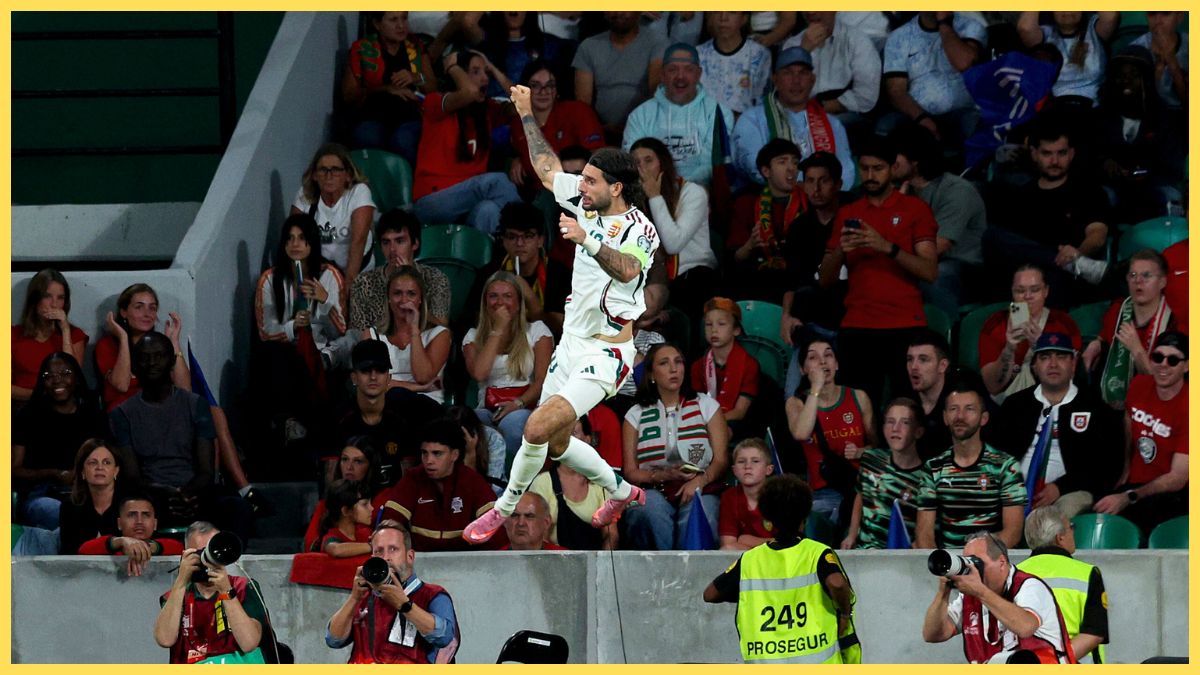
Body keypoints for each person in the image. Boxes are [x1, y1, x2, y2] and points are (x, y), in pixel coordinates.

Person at [463, 84, 661, 543]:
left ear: (616, 188)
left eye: (589, 181)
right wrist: (527, 113)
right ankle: (619, 488)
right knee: (554, 442)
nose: (580, 186)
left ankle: (502, 508)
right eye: (582, 180)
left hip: (607, 355)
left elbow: (629, 269)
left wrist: (587, 239)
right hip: (571, 344)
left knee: (534, 426)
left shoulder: (640, 229)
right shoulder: (588, 198)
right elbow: (549, 169)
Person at [818, 136, 938, 408]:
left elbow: (930, 271)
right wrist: (840, 250)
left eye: (878, 168)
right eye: (865, 168)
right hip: (857, 325)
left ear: (893, 168)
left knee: (907, 409)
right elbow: (825, 281)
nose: (870, 176)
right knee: (858, 412)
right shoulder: (848, 212)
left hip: (905, 324)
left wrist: (886, 247)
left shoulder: (915, 209)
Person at [110, 331, 252, 543]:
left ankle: (229, 572)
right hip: (149, 496)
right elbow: (132, 477)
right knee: (133, 508)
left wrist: (188, 494)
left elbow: (206, 470)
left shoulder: (195, 405)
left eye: (159, 356)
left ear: (170, 361)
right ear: (135, 365)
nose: (152, 363)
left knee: (236, 508)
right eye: (145, 357)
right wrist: (167, 494)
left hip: (196, 493)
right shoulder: (122, 414)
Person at [704, 475, 860, 664]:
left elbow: (710, 594)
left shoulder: (750, 560)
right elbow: (836, 583)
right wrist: (844, 613)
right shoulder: (816, 553)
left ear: (768, 519)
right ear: (804, 516)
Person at [992, 333, 1123, 518]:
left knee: (1057, 515)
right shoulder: (1015, 405)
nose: (1053, 364)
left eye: (1061, 357)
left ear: (1073, 363)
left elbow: (1105, 466)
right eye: (1045, 358)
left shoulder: (1095, 407)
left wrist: (1060, 487)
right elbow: (996, 455)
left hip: (1070, 492)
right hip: (1015, 490)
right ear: (1035, 366)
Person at [621, 342, 730, 550]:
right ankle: (665, 576)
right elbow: (631, 472)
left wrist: (701, 480)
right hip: (654, 488)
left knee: (702, 511)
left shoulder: (706, 405)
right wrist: (661, 476)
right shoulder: (634, 414)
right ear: (651, 374)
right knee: (647, 508)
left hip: (701, 485)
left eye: (678, 362)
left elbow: (721, 460)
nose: (674, 369)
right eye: (664, 363)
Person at [987, 125, 1110, 306]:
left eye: (1061, 153)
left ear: (1071, 154)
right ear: (1034, 154)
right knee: (993, 238)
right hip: (1030, 275)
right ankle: (1070, 266)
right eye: (1047, 154)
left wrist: (1078, 253)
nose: (1054, 161)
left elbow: (1097, 235)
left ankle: (1071, 265)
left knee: (1050, 280)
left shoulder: (1088, 191)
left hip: (1066, 279)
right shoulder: (1022, 195)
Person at [253, 213, 346, 436]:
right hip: (286, 350)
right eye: (290, 238)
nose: (295, 244)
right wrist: (293, 326)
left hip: (321, 350)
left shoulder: (329, 275)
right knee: (273, 357)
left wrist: (325, 301)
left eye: (302, 238)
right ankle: (288, 424)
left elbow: (340, 329)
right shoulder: (269, 279)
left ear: (312, 242)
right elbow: (265, 331)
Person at [922, 530, 1074, 663]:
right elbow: (932, 634)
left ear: (1002, 562)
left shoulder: (1029, 586)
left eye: (977, 563)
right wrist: (943, 593)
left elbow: (1025, 627)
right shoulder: (969, 596)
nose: (972, 570)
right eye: (968, 563)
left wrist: (981, 592)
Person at [411, 50, 520, 236]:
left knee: (489, 210)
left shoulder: (487, 110)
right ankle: (527, 230)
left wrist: (494, 69)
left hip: (471, 202)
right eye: (476, 72)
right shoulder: (435, 103)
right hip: (433, 201)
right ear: (458, 76)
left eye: (486, 73)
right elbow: (468, 92)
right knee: (497, 181)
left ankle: (493, 263)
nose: (485, 78)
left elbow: (522, 105)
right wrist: (451, 67)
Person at [1093, 331, 1189, 533]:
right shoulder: (1139, 385)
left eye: (1172, 360)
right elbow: (1129, 420)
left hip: (1173, 493)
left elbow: (1179, 478)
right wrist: (1126, 468)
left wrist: (1129, 496)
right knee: (1098, 515)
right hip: (1134, 485)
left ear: (1187, 366)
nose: (1163, 365)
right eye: (1157, 357)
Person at [326, 520, 460, 663]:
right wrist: (354, 598)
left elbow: (445, 637)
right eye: (379, 551)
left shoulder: (432, 594)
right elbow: (333, 640)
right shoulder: (363, 596)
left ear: (410, 556)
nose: (386, 557)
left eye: (393, 549)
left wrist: (405, 605)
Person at [915, 382, 1027, 549]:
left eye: (969, 409)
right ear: (945, 417)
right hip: (948, 568)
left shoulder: (1006, 466)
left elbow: (1013, 532)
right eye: (953, 409)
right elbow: (924, 534)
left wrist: (975, 562)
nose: (960, 416)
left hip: (991, 565)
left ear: (984, 418)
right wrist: (944, 569)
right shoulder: (933, 468)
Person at [891, 122, 987, 316]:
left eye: (894, 154)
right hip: (913, 261)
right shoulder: (897, 191)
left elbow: (934, 249)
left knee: (935, 275)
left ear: (915, 160)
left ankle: (945, 340)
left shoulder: (956, 191)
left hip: (965, 269)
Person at [785, 334, 877, 527]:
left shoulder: (859, 397)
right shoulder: (796, 403)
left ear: (836, 364)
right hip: (823, 493)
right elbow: (801, 433)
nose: (822, 361)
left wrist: (861, 451)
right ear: (803, 369)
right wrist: (816, 388)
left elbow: (878, 447)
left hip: (863, 488)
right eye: (813, 357)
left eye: (828, 355)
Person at [732, 47, 855, 189]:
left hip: (822, 202)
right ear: (775, 79)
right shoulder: (752, 119)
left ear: (812, 80)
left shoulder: (833, 124)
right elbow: (756, 169)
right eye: (788, 73)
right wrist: (811, 186)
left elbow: (846, 171)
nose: (796, 81)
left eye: (803, 73)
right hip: (771, 201)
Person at [463, 270, 553, 462]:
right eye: (493, 296)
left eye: (507, 296)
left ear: (519, 303)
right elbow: (479, 374)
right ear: (485, 302)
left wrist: (517, 403)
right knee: (471, 425)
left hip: (525, 405)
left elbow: (542, 381)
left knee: (512, 424)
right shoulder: (473, 335)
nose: (499, 302)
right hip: (487, 407)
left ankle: (513, 485)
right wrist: (498, 329)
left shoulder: (537, 331)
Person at [378, 418, 507, 551]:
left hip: (466, 565)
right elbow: (391, 522)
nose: (429, 461)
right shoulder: (413, 478)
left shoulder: (472, 481)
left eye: (437, 453)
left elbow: (494, 529)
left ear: (454, 455)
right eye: (424, 453)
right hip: (419, 564)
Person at [13, 352, 105, 530]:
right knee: (62, 513)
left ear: (76, 379)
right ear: (42, 382)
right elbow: (13, 470)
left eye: (65, 374)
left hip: (90, 491)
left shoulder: (92, 415)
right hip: (42, 494)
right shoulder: (28, 416)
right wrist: (53, 474)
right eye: (49, 376)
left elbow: (110, 459)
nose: (57, 380)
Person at [155, 522, 271, 664]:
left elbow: (249, 643)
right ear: (186, 555)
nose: (209, 559)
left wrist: (226, 591)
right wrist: (181, 582)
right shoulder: (174, 595)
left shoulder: (243, 587)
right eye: (201, 552)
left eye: (212, 550)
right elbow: (165, 639)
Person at [623, 43, 734, 188]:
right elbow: (633, 160)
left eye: (688, 70)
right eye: (672, 70)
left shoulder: (719, 113)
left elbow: (712, 163)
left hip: (702, 192)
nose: (680, 76)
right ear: (662, 75)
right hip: (653, 190)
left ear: (698, 74)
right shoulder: (640, 115)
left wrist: (682, 187)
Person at [630, 136, 718, 319]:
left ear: (663, 163)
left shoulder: (692, 193)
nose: (642, 169)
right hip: (654, 276)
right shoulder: (631, 199)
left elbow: (673, 244)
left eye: (648, 160)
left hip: (691, 274)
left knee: (693, 286)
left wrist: (654, 196)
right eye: (636, 163)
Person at [1083, 249, 1179, 408]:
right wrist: (1096, 344)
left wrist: (1136, 349)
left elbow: (1164, 385)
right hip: (1112, 407)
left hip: (1153, 410)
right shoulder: (1119, 309)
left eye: (1146, 276)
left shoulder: (1172, 323)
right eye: (1133, 275)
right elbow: (1105, 337)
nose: (1138, 281)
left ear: (1163, 282)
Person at [342, 11, 438, 165]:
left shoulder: (416, 46)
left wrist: (416, 77)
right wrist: (387, 89)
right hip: (373, 116)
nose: (401, 25)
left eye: (404, 18)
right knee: (368, 136)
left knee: (403, 139)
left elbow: (433, 88)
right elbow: (349, 95)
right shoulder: (361, 49)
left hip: (410, 116)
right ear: (377, 24)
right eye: (393, 20)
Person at [1017, 505, 1110, 663]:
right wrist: (1055, 662)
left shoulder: (1014, 574)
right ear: (1060, 537)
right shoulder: (1087, 574)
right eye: (1071, 527)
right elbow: (1094, 633)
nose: (1073, 532)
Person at [980, 265, 1082, 404]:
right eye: (1020, 291)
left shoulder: (1063, 323)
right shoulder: (995, 323)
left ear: (1046, 291)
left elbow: (1068, 381)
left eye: (1035, 290)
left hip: (1050, 401)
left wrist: (1040, 347)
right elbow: (993, 387)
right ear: (1012, 292)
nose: (1027, 297)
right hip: (1004, 405)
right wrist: (1009, 349)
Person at [881, 12, 986, 147]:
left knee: (974, 123)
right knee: (886, 125)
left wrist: (944, 23)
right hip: (917, 114)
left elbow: (963, 62)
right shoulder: (899, 37)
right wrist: (921, 118)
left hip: (963, 111)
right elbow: (896, 90)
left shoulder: (970, 26)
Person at [468, 203, 571, 337]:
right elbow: (475, 322)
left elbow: (559, 330)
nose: (520, 243)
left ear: (540, 240)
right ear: (503, 240)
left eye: (528, 236)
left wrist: (530, 298)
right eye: (512, 237)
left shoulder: (559, 273)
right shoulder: (489, 273)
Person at [507, 60, 604, 197]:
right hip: (537, 195)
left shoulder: (577, 111)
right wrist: (518, 158)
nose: (543, 92)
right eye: (535, 86)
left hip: (579, 192)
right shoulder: (518, 123)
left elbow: (598, 155)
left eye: (550, 85)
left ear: (557, 89)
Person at [842, 398, 927, 550]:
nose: (895, 428)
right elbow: (860, 496)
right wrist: (852, 534)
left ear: (918, 431)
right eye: (890, 421)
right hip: (864, 552)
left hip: (900, 557)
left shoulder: (925, 478)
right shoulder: (871, 459)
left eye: (905, 422)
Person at [290, 143, 376, 293]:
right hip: (320, 274)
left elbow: (358, 240)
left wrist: (348, 288)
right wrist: (302, 283)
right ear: (315, 175)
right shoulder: (304, 195)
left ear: (348, 174)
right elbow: (294, 243)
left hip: (358, 273)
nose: (329, 176)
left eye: (335, 170)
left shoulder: (359, 192)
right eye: (323, 170)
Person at [780, 151, 847, 340]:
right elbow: (791, 282)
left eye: (823, 181)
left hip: (851, 315)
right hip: (812, 321)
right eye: (809, 181)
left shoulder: (853, 217)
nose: (815, 189)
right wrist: (786, 316)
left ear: (838, 184)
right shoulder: (799, 227)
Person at [329, 340, 413, 486]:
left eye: (380, 370)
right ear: (354, 377)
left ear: (389, 377)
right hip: (351, 503)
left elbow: (408, 479)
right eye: (366, 370)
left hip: (392, 505)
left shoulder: (403, 418)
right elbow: (331, 479)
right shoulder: (338, 418)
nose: (373, 377)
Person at [572, 12, 667, 137]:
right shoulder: (588, 46)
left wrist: (635, 126)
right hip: (601, 131)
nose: (619, 12)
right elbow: (583, 103)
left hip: (645, 130)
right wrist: (597, 128)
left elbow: (656, 92)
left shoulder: (657, 42)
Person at [371, 267, 451, 417]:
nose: (404, 300)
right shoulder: (372, 334)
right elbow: (371, 383)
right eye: (397, 293)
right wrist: (418, 387)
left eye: (411, 294)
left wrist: (414, 330)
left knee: (396, 397)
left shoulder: (439, 334)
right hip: (384, 406)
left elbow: (423, 376)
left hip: (427, 405)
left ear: (420, 299)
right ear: (388, 298)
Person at [782, 12, 881, 131]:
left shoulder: (857, 40)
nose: (811, 12)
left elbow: (866, 96)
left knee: (830, 126)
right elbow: (785, 94)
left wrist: (824, 108)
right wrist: (803, 52)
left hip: (845, 113)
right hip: (801, 112)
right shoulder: (793, 45)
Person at [528, 432, 619, 550]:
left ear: (587, 439)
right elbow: (538, 536)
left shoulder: (601, 484)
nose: (568, 440)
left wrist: (603, 564)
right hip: (556, 561)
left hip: (593, 561)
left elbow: (611, 535)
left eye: (574, 433)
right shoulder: (542, 483)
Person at [12, 268, 87, 404]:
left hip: (62, 407)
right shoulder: (12, 335)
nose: (54, 304)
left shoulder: (74, 335)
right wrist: (41, 396)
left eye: (60, 298)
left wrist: (65, 330)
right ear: (35, 300)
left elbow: (74, 379)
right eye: (47, 296)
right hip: (22, 407)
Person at [1017, 12, 1120, 106]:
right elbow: (1025, 28)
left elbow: (1111, 17)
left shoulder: (1093, 29)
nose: (1067, 10)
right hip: (1053, 108)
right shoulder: (1046, 33)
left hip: (1093, 109)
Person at [304, 437, 386, 552]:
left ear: (371, 466)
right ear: (346, 510)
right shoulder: (326, 504)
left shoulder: (384, 500)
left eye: (358, 461)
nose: (349, 467)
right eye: (345, 459)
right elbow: (311, 548)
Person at [690, 298, 759, 429]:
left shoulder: (749, 365)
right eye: (708, 324)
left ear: (736, 330)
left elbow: (739, 412)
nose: (714, 330)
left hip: (735, 423)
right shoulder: (698, 366)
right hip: (705, 421)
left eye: (721, 324)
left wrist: (710, 422)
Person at [77, 495, 184, 576]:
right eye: (132, 515)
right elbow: (83, 550)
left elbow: (179, 549)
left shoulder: (168, 547)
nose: (139, 521)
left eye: (146, 515)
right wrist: (121, 541)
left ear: (155, 524)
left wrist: (145, 548)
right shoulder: (109, 551)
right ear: (119, 523)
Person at [480, 13, 574, 100]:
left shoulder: (549, 45)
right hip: (493, 111)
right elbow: (469, 21)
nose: (514, 10)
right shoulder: (485, 44)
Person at [56, 439, 124, 557]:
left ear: (116, 471)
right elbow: (70, 553)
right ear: (82, 471)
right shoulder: (70, 507)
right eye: (93, 463)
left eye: (107, 462)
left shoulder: (131, 504)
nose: (99, 467)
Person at [696, 12, 772, 116]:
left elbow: (764, 103)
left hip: (748, 126)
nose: (723, 18)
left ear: (744, 18)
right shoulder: (698, 55)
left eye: (732, 12)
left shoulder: (759, 55)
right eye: (717, 11)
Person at [717, 438, 775, 551]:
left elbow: (788, 543)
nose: (747, 466)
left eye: (755, 461)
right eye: (741, 461)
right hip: (747, 556)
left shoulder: (781, 494)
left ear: (769, 469)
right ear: (734, 470)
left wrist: (746, 539)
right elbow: (728, 544)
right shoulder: (729, 497)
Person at [905, 331, 953, 461]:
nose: (913, 367)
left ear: (942, 366)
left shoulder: (957, 406)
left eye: (923, 359)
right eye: (910, 359)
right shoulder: (904, 403)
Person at [1131, 11, 1188, 110]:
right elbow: (1135, 103)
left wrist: (1172, 62)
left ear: (1179, 17)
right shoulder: (1135, 50)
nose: (1158, 21)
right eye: (1152, 13)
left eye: (1166, 13)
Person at [444, 404, 508, 492]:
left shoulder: (493, 438)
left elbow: (491, 489)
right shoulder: (441, 438)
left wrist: (470, 454)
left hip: (488, 495)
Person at [319, 479, 375, 558]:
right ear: (346, 511)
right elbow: (336, 550)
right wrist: (373, 546)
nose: (372, 508)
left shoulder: (366, 532)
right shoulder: (331, 536)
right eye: (365, 504)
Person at [502, 492, 566, 551]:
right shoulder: (494, 561)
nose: (521, 523)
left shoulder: (565, 559)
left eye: (529, 516)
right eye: (514, 515)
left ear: (546, 522)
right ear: (504, 521)